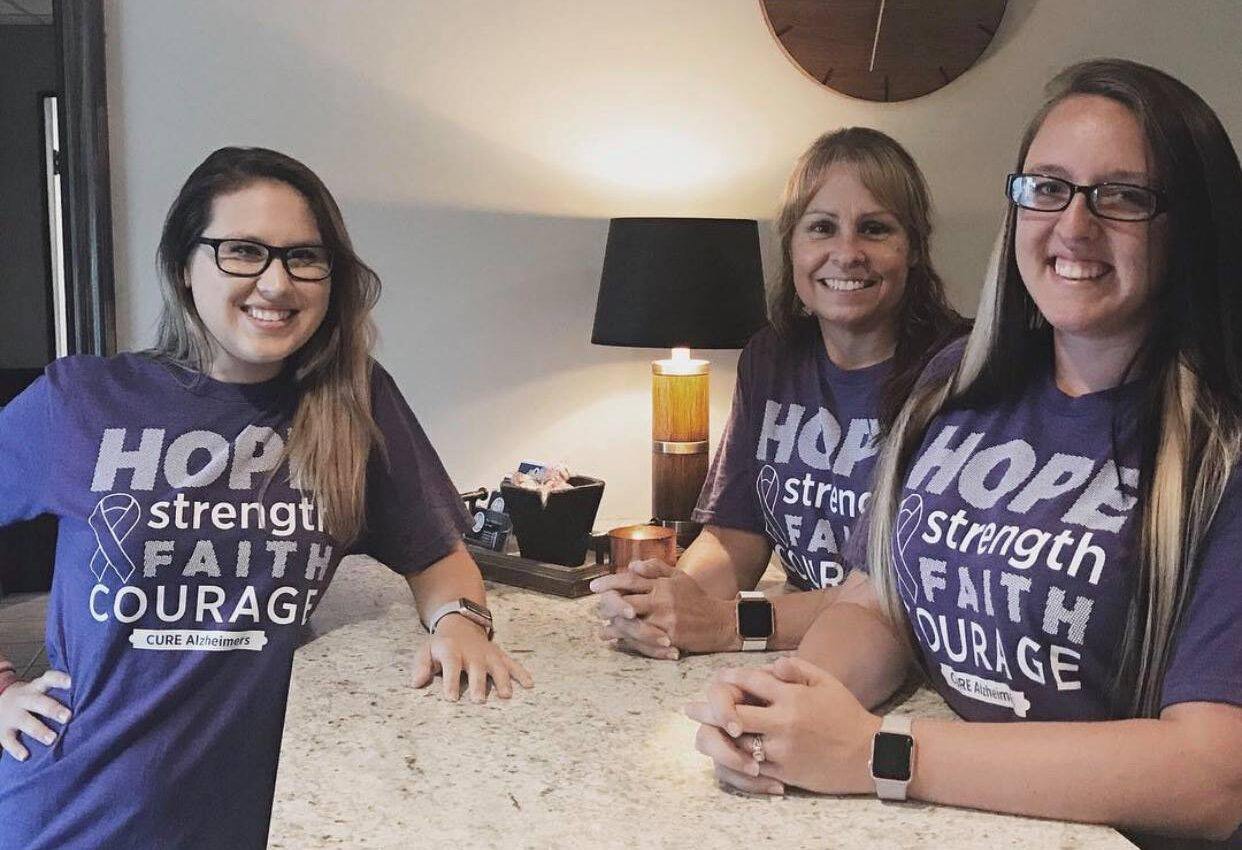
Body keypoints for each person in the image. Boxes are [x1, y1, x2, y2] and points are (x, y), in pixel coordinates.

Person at [687, 59, 1242, 846]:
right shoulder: (955, 386)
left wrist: (880, 755)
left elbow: (1213, 773)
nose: (1074, 227)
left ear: (1193, 225)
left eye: (1123, 196)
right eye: (1047, 188)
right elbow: (875, 603)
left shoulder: (1223, 448)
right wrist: (790, 704)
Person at [0, 147, 532, 850]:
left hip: (264, 809)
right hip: (78, 807)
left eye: (304, 257)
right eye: (243, 251)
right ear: (185, 268)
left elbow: (437, 556)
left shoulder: (352, 405)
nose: (276, 282)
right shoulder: (83, 400)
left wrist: (459, 624)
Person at [591, 128, 965, 658]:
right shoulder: (771, 357)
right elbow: (736, 537)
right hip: (799, 641)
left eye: (875, 229)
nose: (847, 253)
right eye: (821, 228)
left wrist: (724, 623)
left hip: (900, 662)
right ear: (792, 245)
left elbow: (901, 593)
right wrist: (668, 603)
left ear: (914, 250)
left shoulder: (957, 373)